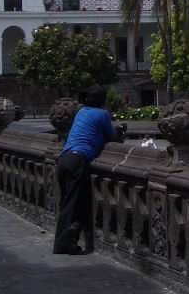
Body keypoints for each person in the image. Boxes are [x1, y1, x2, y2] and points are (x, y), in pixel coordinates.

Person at [53, 86, 123, 255]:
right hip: (78, 160)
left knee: (67, 201)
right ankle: (63, 244)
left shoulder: (81, 112)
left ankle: (68, 239)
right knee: (73, 203)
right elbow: (111, 136)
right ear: (103, 101)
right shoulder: (103, 114)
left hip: (63, 159)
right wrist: (118, 131)